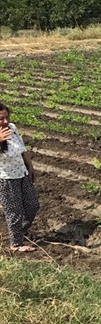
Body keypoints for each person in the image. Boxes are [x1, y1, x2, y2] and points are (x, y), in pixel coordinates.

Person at [0, 103, 39, 253]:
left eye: (6, 117)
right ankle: (15, 244)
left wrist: (30, 166)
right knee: (14, 212)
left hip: (22, 173)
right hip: (6, 179)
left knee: (33, 205)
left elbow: (22, 148)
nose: (5, 121)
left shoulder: (12, 128)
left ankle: (21, 230)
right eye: (1, 118)